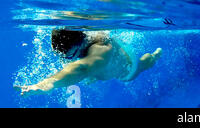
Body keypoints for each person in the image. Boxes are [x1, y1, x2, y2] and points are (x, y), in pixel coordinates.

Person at [14, 29, 162, 97]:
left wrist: (47, 83)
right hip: (103, 65)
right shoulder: (83, 40)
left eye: (69, 56)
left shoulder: (101, 49)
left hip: (127, 68)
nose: (66, 60)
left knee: (142, 66)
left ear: (80, 45)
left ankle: (154, 56)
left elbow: (82, 68)